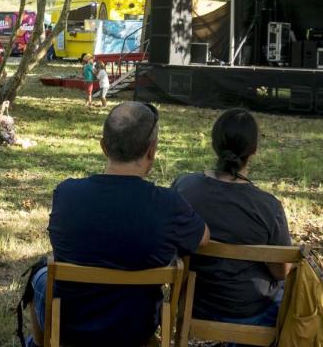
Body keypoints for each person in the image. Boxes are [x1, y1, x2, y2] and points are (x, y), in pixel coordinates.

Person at [28, 102, 210, 347]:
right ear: (151, 150)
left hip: (72, 327)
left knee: (39, 275)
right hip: (137, 328)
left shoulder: (66, 194)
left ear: (103, 147)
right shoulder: (169, 205)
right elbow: (203, 238)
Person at [172, 108, 293, 326]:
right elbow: (281, 271)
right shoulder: (268, 207)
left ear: (214, 144)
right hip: (251, 311)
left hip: (194, 303)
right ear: (254, 149)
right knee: (290, 292)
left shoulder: (183, 187)